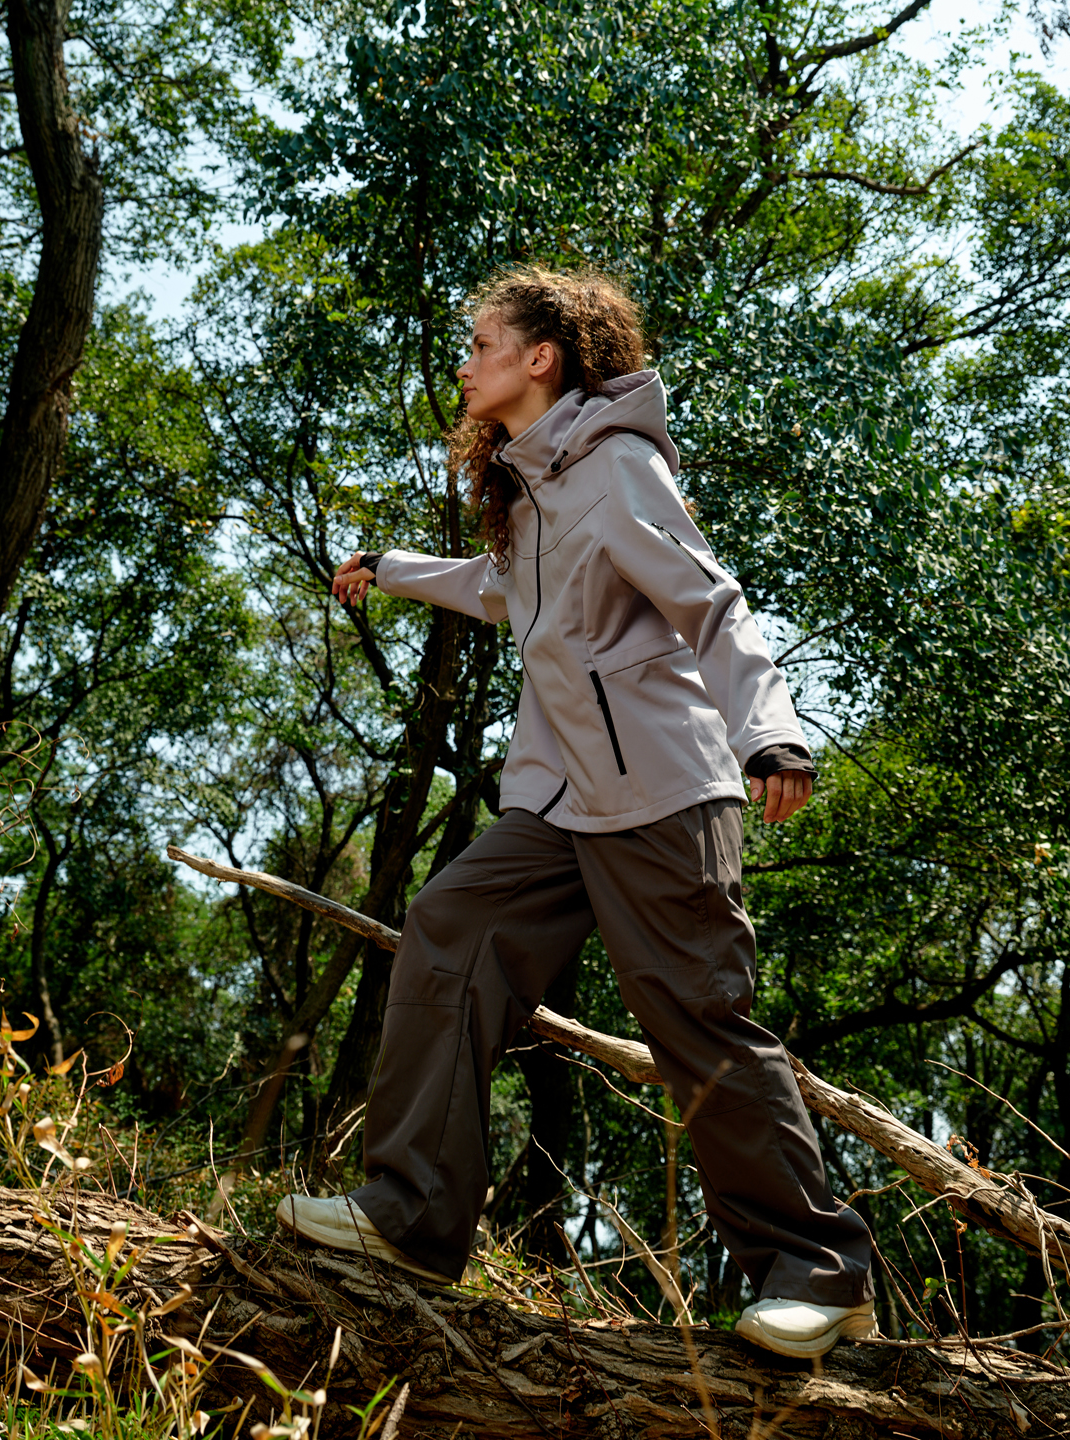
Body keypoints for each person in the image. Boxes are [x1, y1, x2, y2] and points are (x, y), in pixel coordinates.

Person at [276, 267, 876, 1359]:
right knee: (451, 929)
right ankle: (409, 1219)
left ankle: (818, 1272)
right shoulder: (539, 490)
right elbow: (503, 589)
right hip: (564, 800)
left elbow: (711, 602)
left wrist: (770, 734)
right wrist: (393, 568)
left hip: (661, 789)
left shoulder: (617, 469)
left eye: (481, 342)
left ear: (541, 357)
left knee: (697, 1020)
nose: (466, 361)